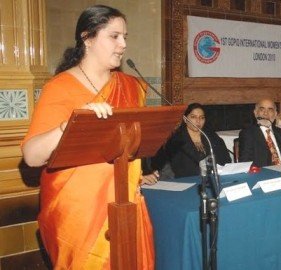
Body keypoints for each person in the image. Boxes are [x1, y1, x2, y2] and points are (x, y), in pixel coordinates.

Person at [21, 6, 154, 269]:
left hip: (126, 203)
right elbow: (32, 156)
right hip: (79, 211)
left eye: (125, 37)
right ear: (87, 37)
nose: (123, 44)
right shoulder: (60, 88)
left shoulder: (130, 86)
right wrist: (70, 124)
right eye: (114, 36)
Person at [149, 103, 231, 178]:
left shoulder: (211, 136)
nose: (198, 121)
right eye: (193, 117)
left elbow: (225, 160)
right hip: (188, 180)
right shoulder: (177, 139)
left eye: (201, 117)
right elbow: (178, 168)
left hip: (215, 177)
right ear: (185, 119)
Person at [238, 99, 281, 167]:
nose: (265, 113)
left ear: (275, 114)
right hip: (265, 173)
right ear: (255, 113)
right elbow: (245, 162)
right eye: (262, 109)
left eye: (270, 110)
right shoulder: (248, 134)